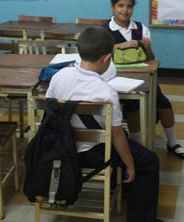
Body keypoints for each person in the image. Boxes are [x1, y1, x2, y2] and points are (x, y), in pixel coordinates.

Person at [45, 27, 160, 222]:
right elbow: (116, 135)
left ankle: (118, 185)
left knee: (114, 142)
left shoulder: (58, 77)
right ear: (107, 59)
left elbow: (50, 111)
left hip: (60, 148)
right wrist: (129, 164)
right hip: (91, 154)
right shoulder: (106, 92)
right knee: (149, 162)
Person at [103, 0, 184, 160]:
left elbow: (151, 59)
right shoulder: (105, 31)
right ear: (113, 7)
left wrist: (148, 47)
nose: (125, 10)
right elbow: (102, 55)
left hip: (142, 77)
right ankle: (137, 147)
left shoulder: (141, 28)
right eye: (120, 5)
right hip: (116, 79)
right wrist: (122, 45)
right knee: (133, 108)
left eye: (129, 6)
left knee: (164, 104)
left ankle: (173, 142)